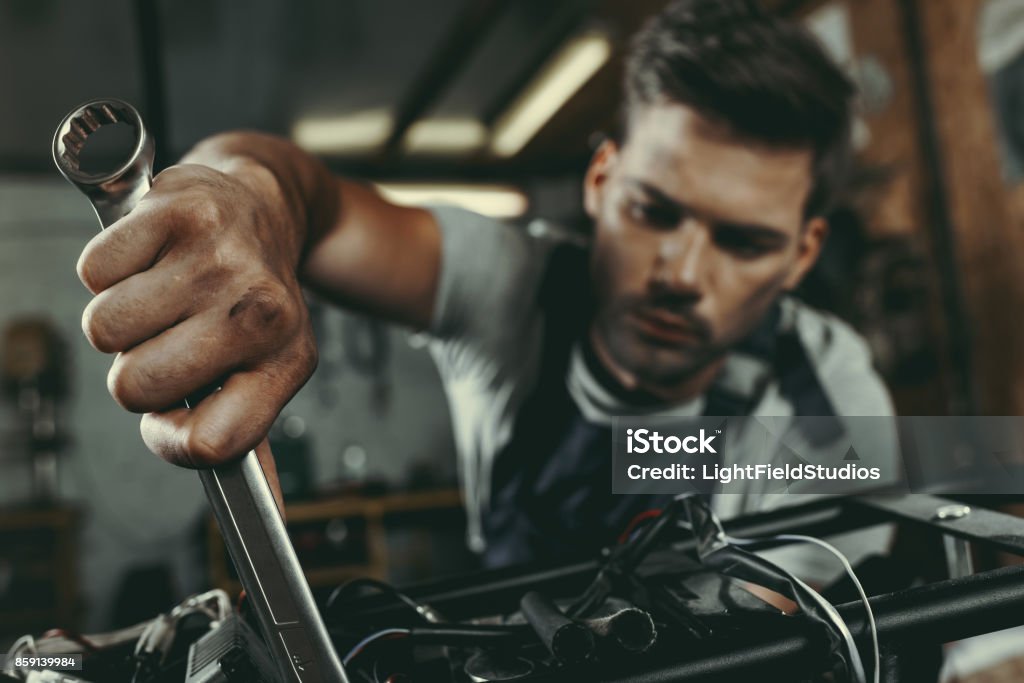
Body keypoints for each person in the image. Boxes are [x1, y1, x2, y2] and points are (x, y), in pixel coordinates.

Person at [76, 0, 892, 572]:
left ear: (801, 252)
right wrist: (246, 207)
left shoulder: (833, 401)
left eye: (744, 241)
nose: (681, 273)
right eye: (654, 210)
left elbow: (776, 628)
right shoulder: (510, 284)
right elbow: (313, 204)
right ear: (603, 180)